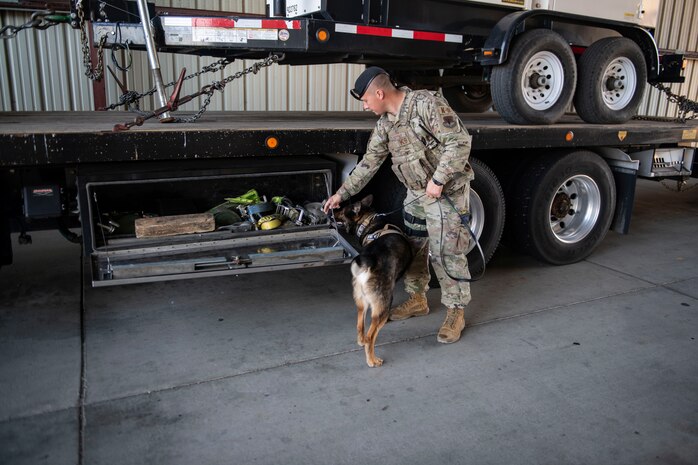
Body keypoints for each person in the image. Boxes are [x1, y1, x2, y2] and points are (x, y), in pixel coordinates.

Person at [323, 67, 474, 344]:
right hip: (416, 194)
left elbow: (459, 142)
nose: (366, 106)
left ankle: (456, 311)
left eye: (366, 100)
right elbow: (369, 163)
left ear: (380, 93)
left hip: (445, 193)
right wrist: (341, 195)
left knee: (446, 252)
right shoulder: (385, 124)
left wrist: (439, 179)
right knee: (413, 247)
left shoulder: (426, 104)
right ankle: (418, 299)